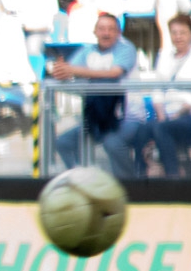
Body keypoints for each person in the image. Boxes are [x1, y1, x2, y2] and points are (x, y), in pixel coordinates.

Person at [51, 13, 139, 179]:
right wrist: (60, 71)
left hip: (127, 117)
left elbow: (114, 73)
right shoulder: (87, 51)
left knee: (112, 143)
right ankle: (83, 180)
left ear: (118, 32)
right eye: (102, 29)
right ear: (95, 32)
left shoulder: (126, 48)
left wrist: (73, 70)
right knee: (63, 142)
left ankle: (129, 185)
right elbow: (68, 70)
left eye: (111, 29)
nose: (106, 33)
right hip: (95, 117)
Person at [144, 13, 191, 177]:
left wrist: (177, 114)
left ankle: (172, 175)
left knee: (162, 128)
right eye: (174, 32)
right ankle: (139, 179)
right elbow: (157, 89)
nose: (178, 37)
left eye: (182, 32)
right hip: (166, 115)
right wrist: (161, 114)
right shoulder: (164, 57)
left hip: (190, 116)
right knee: (142, 131)